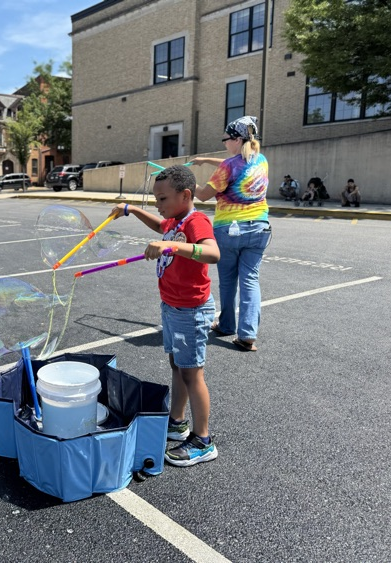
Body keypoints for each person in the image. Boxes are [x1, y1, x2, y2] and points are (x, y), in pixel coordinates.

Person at [110, 165, 220, 467]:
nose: (158, 205)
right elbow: (161, 226)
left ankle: (203, 440)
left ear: (186, 195)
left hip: (191, 309)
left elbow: (212, 253)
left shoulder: (197, 221)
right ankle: (177, 421)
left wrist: (171, 245)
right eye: (156, 199)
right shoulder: (175, 219)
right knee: (177, 364)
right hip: (172, 306)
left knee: (192, 372)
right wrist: (131, 209)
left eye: (163, 199)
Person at [189, 115, 272, 352]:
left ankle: (226, 324)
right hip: (259, 227)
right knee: (250, 279)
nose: (224, 144)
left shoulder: (228, 167)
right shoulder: (262, 160)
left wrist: (188, 179)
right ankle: (248, 334)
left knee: (227, 280)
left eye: (225, 140)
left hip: (229, 229)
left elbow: (203, 195)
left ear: (236, 139)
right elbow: (236, 162)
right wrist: (206, 160)